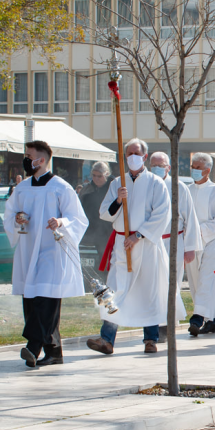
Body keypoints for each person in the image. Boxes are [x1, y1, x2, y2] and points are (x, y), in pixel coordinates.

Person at [4, 141, 89, 368]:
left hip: (52, 251)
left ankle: (33, 346)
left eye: (28, 156)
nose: (25, 159)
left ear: (41, 160)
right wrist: (17, 218)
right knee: (32, 300)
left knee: (46, 300)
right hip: (28, 248)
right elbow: (10, 212)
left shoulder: (61, 187)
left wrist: (60, 221)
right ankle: (54, 352)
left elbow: (78, 219)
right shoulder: (22, 188)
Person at [86, 139, 171, 356]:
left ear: (144, 156)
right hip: (122, 244)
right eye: (128, 153)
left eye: (136, 152)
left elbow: (162, 214)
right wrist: (118, 200)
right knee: (114, 290)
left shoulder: (155, 182)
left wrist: (139, 235)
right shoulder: (117, 183)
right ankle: (107, 339)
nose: (132, 156)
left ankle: (151, 339)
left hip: (146, 245)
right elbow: (105, 212)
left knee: (147, 291)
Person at [150, 151, 201, 327]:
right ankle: (155, 321)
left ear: (168, 168)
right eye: (153, 165)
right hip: (152, 242)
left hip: (173, 241)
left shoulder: (179, 187)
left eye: (160, 165)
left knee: (172, 282)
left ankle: (168, 323)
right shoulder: (147, 185)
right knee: (153, 283)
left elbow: (190, 219)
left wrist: (190, 247)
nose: (156, 169)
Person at [184, 152, 215, 336]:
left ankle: (197, 317)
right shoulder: (187, 190)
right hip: (190, 242)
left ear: (207, 170)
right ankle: (212, 320)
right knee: (195, 281)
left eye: (198, 168)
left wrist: (200, 231)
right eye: (193, 167)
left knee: (206, 279)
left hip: (210, 240)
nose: (194, 170)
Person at [79, 161, 114, 269]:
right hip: (90, 232)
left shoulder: (113, 188)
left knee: (107, 262)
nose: (96, 178)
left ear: (106, 174)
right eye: (94, 175)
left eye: (99, 176)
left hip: (108, 231)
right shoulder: (87, 189)